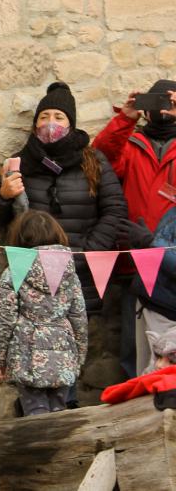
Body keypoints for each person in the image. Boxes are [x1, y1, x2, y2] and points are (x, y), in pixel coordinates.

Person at [0, 82, 127, 405]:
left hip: (79, 274)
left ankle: (64, 419)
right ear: (35, 123)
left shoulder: (93, 161)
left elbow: (115, 210)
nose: (51, 122)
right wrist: (3, 195)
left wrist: (82, 254)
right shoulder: (19, 162)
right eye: (45, 115)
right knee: (29, 353)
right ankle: (33, 422)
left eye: (59, 116)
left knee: (67, 350)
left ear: (71, 123)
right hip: (28, 279)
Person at [93, 79, 176, 378]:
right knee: (134, 347)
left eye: (169, 103)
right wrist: (125, 118)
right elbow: (100, 158)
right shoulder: (131, 144)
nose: (164, 110)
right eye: (158, 103)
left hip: (173, 262)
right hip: (135, 261)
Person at [0, 210, 87, 416]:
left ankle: (38, 446)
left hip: (26, 354)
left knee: (34, 412)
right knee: (60, 412)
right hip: (63, 354)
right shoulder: (70, 272)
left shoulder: (14, 272)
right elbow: (79, 318)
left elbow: (3, 320)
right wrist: (79, 355)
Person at [131, 207, 176, 374]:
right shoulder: (173, 211)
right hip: (148, 300)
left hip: (169, 312)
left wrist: (151, 244)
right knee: (143, 375)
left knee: (161, 376)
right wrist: (143, 247)